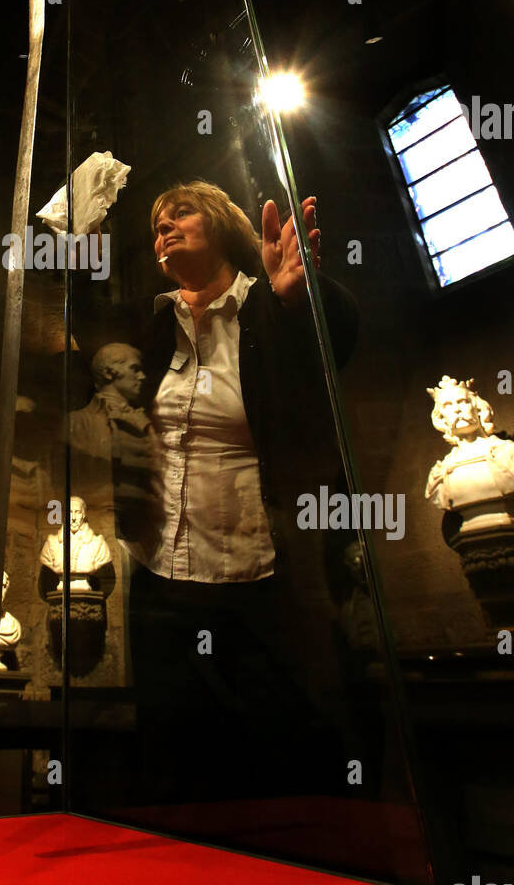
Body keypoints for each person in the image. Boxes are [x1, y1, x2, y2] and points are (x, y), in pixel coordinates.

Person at [81, 180, 359, 804]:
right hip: (160, 565)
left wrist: (302, 299)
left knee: (279, 739)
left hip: (261, 563)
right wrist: (78, 242)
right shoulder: (152, 325)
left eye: (180, 214)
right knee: (176, 746)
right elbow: (87, 338)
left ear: (220, 223)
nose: (164, 228)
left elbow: (337, 343)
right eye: (156, 224)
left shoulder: (266, 307)